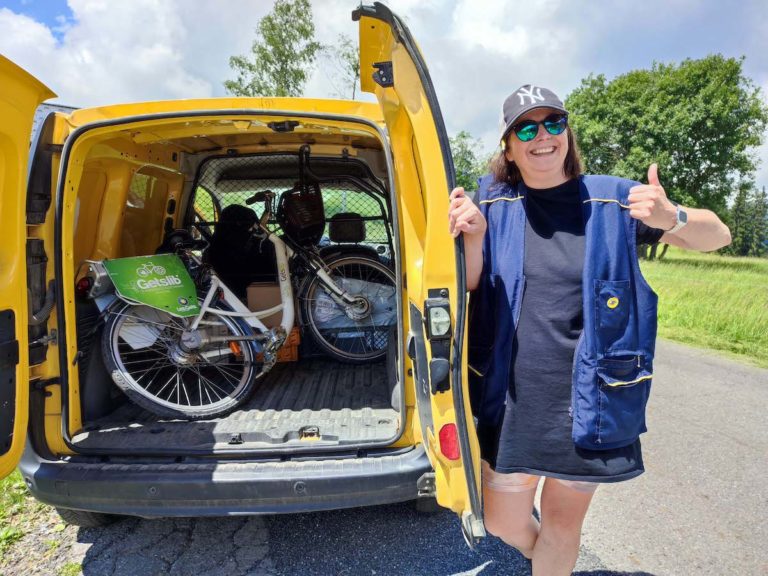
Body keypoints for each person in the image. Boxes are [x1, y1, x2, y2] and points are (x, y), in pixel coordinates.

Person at [448, 85, 731, 575]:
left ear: (568, 134)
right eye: (527, 128)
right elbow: (472, 282)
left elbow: (718, 235)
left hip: (593, 400)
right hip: (514, 401)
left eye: (554, 123)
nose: (543, 137)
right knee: (501, 522)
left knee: (562, 526)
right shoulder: (492, 203)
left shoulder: (614, 199)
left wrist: (675, 217)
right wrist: (473, 235)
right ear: (509, 147)